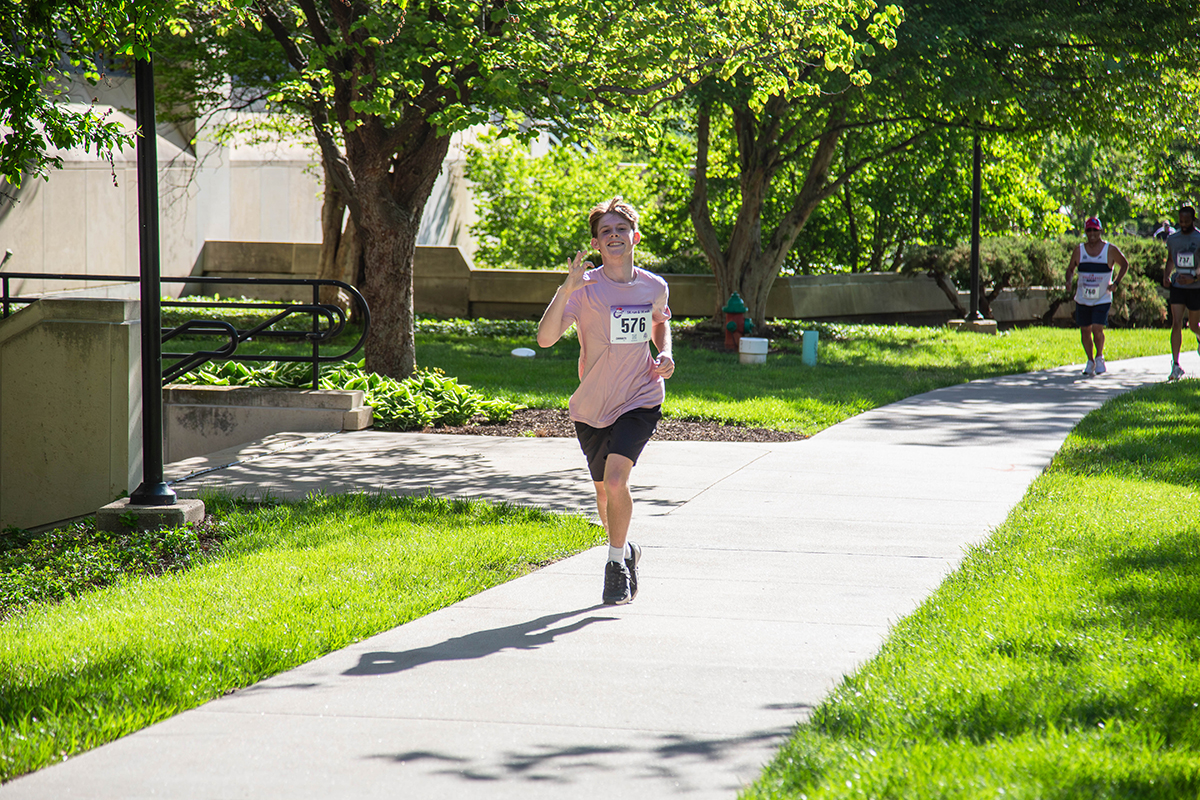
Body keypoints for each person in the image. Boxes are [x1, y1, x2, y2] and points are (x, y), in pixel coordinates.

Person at [536, 197, 674, 605]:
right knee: (602, 492)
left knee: (617, 481)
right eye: (605, 232)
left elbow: (660, 323)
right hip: (592, 405)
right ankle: (627, 548)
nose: (614, 236)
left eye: (620, 229)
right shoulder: (585, 288)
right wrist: (566, 288)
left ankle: (615, 566)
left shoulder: (654, 286)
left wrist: (665, 353)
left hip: (640, 397)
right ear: (597, 244)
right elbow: (544, 339)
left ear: (634, 236)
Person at [1064, 216, 1129, 376]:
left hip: (1102, 297)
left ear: (1100, 231)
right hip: (1083, 297)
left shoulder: (1110, 250)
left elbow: (1124, 264)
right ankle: (1090, 360)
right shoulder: (1079, 250)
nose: (1092, 233)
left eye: (1095, 230)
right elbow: (1070, 268)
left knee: (1097, 328)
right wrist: (1068, 281)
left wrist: (1116, 283)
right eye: (1089, 230)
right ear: (1085, 232)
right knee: (1085, 330)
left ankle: (1099, 357)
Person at [1163, 205, 1200, 380]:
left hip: (1196, 288)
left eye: (1186, 221)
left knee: (1193, 325)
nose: (1183, 224)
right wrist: (1166, 275)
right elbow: (1171, 259)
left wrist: (1194, 277)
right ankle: (1176, 364)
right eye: (1181, 221)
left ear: (1193, 219)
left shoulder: (1199, 238)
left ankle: (1198, 336)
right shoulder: (1173, 239)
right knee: (1176, 323)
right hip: (1178, 286)